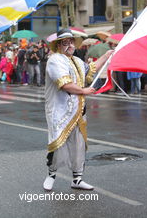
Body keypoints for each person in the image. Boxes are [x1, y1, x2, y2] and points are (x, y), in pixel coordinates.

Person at [42, 28, 113, 191]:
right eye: (65, 42)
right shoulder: (55, 60)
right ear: (58, 45)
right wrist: (84, 91)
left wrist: (106, 56)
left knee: (79, 145)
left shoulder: (77, 61)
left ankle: (77, 179)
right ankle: (51, 175)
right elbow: (64, 84)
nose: (69, 45)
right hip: (59, 111)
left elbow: (91, 70)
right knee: (57, 144)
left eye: (71, 41)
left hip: (79, 110)